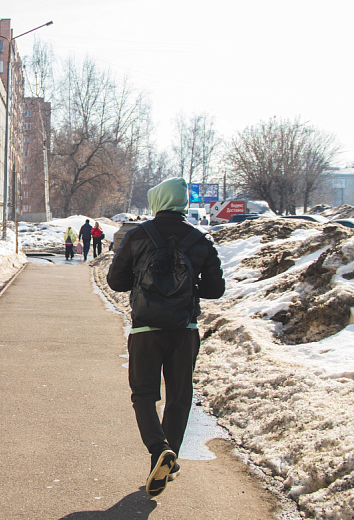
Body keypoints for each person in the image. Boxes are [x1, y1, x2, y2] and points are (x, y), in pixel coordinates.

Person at [106, 177, 225, 497]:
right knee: (179, 395)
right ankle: (167, 456)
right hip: (184, 330)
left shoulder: (138, 235)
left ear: (157, 201)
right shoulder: (200, 239)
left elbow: (115, 282)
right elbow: (216, 290)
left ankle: (159, 449)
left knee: (143, 394)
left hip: (146, 330)